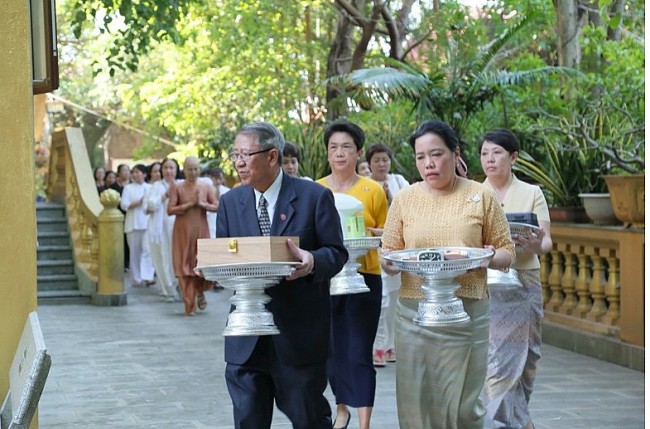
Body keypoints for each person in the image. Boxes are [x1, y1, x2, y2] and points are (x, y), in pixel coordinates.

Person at [380, 119, 515, 429]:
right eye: (420, 157)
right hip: (414, 312)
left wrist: (489, 258)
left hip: (467, 310)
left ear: (455, 154)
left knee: (464, 403)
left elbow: (507, 251)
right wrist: (390, 262)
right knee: (417, 399)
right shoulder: (405, 199)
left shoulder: (481, 196)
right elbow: (388, 253)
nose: (429, 164)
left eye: (436, 154)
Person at [216, 122, 348, 429]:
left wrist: (312, 260)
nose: (238, 162)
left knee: (309, 419)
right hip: (246, 338)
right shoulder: (230, 202)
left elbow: (336, 253)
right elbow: (223, 256)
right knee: (248, 420)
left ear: (272, 156)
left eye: (246, 154)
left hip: (299, 336)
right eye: (235, 154)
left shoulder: (314, 197)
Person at [479, 129, 553, 429]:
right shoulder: (474, 193)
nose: (489, 159)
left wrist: (534, 244)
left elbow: (546, 242)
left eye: (496, 152)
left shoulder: (532, 192)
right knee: (496, 360)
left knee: (527, 358)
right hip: (487, 285)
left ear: (513, 157)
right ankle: (506, 424)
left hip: (524, 281)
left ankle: (520, 421)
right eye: (484, 153)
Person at [317, 121, 387, 429]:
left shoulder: (373, 191)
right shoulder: (315, 189)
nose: (339, 153)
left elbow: (388, 234)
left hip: (365, 277)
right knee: (331, 349)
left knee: (359, 350)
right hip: (325, 281)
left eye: (346, 147)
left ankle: (364, 421)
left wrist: (379, 233)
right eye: (333, 147)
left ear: (359, 152)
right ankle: (341, 408)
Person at [365, 143, 410, 367]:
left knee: (394, 301)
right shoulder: (364, 185)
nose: (382, 164)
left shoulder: (400, 181)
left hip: (396, 247)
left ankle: (390, 345)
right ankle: (377, 347)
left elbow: (408, 212)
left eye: (385, 159)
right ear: (369, 163)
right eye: (377, 160)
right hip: (374, 248)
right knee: (381, 301)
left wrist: (391, 197)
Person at [168, 156, 218, 316]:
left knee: (201, 264)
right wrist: (188, 205)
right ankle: (189, 305)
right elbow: (170, 210)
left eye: (196, 169)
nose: (193, 172)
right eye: (190, 169)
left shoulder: (206, 186)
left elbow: (216, 206)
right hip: (183, 232)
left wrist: (202, 204)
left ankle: (199, 290)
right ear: (184, 170)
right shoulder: (177, 187)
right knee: (184, 267)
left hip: (201, 230)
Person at [144, 158, 181, 302]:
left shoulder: (181, 185)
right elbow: (149, 206)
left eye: (171, 168)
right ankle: (168, 289)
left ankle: (179, 286)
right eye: (165, 168)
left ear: (176, 169)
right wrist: (165, 195)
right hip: (158, 228)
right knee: (160, 258)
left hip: (176, 226)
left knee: (174, 258)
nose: (168, 171)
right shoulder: (155, 186)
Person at [120, 164, 155, 287]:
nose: (135, 174)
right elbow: (124, 205)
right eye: (133, 172)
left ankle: (148, 276)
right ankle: (136, 278)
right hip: (133, 224)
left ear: (144, 174)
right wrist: (139, 202)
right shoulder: (128, 188)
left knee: (147, 250)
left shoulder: (151, 187)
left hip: (147, 224)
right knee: (134, 253)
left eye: (137, 172)